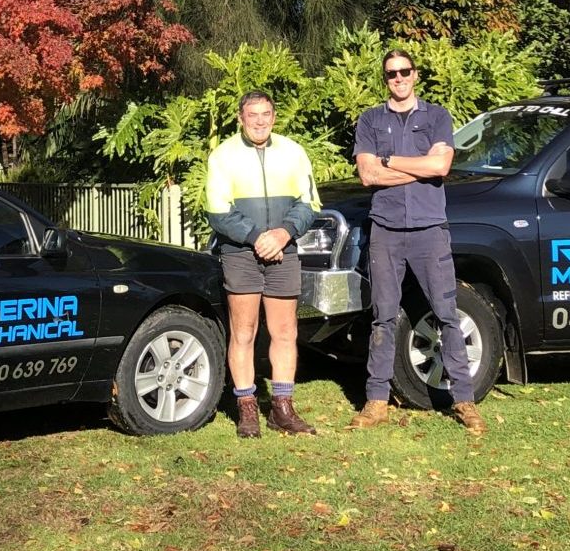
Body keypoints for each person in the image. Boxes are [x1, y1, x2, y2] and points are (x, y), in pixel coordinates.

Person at [347, 50, 487, 433]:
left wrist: (389, 161)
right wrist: (419, 167)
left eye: (404, 71)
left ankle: (464, 400)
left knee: (447, 314)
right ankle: (376, 401)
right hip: (386, 230)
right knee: (383, 316)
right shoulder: (371, 119)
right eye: (391, 73)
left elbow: (441, 166)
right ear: (385, 79)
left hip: (429, 230)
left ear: (415, 74)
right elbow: (367, 176)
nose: (398, 78)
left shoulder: (437, 116)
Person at [205, 90, 321, 438]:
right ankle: (247, 408)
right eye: (252, 114)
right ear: (240, 118)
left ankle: (282, 409)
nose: (259, 121)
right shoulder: (222, 156)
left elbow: (309, 203)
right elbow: (218, 211)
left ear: (274, 116)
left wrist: (283, 234)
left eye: (265, 114)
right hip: (241, 253)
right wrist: (258, 237)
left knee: (285, 331)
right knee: (244, 331)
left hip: (284, 249)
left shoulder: (293, 152)